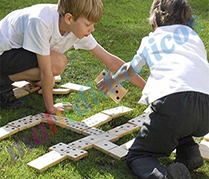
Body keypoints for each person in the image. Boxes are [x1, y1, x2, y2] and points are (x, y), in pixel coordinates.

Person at [97, 0, 209, 178]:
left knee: (138, 155)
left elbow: (130, 70)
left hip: (173, 105)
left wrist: (112, 81)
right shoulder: (194, 37)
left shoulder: (151, 40)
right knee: (182, 120)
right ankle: (189, 153)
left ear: (155, 21)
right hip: (206, 110)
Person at [0, 0, 145, 114]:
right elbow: (45, 71)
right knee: (56, 63)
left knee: (55, 66)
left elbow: (110, 61)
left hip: (19, 52)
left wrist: (147, 88)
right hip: (4, 53)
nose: (92, 29)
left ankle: (28, 77)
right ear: (69, 18)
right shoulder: (41, 22)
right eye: (88, 24)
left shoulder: (77, 28)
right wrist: (51, 108)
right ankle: (2, 82)